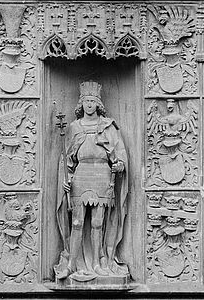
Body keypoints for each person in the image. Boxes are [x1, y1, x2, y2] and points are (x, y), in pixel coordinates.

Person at [55, 81, 129, 282]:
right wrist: (66, 179)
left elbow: (119, 153)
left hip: (103, 176)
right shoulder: (73, 127)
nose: (89, 105)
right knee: (77, 221)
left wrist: (119, 165)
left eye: (92, 101)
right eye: (86, 101)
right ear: (81, 103)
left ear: (98, 103)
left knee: (98, 222)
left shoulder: (108, 126)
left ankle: (97, 262)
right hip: (81, 176)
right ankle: (71, 264)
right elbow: (67, 159)